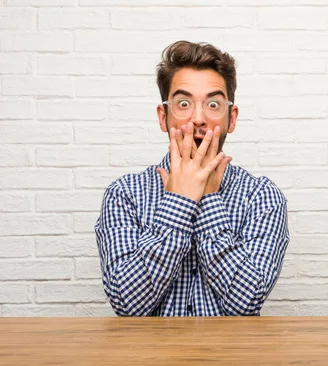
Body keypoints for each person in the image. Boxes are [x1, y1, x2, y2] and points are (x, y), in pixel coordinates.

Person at [95, 40, 290, 316]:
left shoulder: (261, 196)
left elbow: (245, 304)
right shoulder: (124, 194)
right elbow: (128, 305)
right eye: (184, 103)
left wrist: (209, 199)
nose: (199, 118)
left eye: (213, 104)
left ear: (231, 119)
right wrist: (180, 201)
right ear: (163, 117)